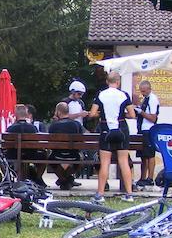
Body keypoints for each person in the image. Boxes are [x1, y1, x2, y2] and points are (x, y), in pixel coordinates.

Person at [88, 70, 136, 202]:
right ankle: (129, 194)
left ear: (107, 82)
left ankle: (100, 194)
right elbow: (132, 115)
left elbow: (92, 114)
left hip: (106, 129)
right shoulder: (124, 95)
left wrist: (101, 114)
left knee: (105, 163)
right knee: (124, 162)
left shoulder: (101, 94)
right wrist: (122, 115)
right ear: (118, 82)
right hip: (121, 129)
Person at [6, 103, 46, 184]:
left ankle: (11, 180)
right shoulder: (32, 128)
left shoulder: (11, 128)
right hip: (31, 154)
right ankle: (38, 178)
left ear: (16, 115)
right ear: (26, 114)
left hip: (13, 154)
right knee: (44, 155)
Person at [48, 102, 84, 189]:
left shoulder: (53, 125)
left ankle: (63, 179)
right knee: (82, 158)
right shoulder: (77, 124)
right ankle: (68, 179)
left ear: (58, 112)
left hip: (57, 156)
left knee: (49, 158)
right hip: (74, 156)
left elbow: (50, 143)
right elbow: (81, 142)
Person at [134, 80, 161, 187]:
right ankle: (142, 177)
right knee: (143, 156)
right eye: (141, 91)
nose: (142, 93)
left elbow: (153, 118)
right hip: (142, 130)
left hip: (149, 130)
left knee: (150, 155)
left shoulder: (153, 99)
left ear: (149, 89)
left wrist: (141, 112)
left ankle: (150, 178)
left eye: (144, 91)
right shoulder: (146, 99)